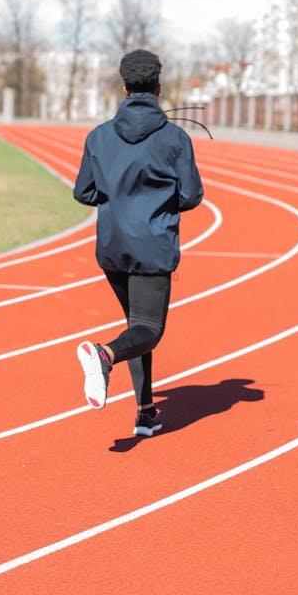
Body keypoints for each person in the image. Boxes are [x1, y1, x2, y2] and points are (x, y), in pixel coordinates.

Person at [73, 48, 204, 437]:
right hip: (152, 246)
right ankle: (104, 354)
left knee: (136, 324)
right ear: (159, 88)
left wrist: (118, 199)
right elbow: (192, 195)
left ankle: (146, 411)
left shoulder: (99, 136)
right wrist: (154, 204)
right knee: (149, 329)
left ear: (125, 86)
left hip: (112, 247)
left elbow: (84, 191)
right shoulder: (175, 138)